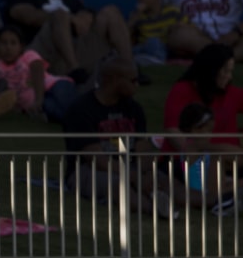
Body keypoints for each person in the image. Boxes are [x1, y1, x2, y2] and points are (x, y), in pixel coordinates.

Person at [1, 0, 132, 81]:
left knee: (111, 12)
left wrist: (86, 16)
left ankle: (130, 70)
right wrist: (67, 18)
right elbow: (26, 15)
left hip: (75, 51)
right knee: (59, 15)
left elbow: (85, 18)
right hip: (41, 56)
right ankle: (74, 70)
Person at [61, 57, 167, 214]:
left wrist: (147, 172)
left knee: (164, 179)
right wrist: (135, 177)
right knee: (118, 184)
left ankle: (204, 202)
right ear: (115, 80)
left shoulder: (134, 108)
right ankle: (154, 210)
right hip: (86, 169)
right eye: (133, 80)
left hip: (129, 167)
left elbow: (142, 148)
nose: (137, 85)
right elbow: (97, 159)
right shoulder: (81, 110)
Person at [0, 26, 78, 123]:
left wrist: (38, 99)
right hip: (38, 103)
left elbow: (38, 69)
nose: (8, 47)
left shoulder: (27, 55)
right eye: (4, 43)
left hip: (53, 85)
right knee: (59, 113)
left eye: (13, 43)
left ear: (21, 46)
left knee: (65, 103)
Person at [126, 0, 184, 66]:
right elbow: (127, 39)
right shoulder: (137, 16)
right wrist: (133, 21)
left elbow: (185, 29)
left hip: (166, 49)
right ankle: (143, 59)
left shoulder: (172, 12)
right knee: (141, 47)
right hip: (144, 49)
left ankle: (156, 60)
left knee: (154, 42)